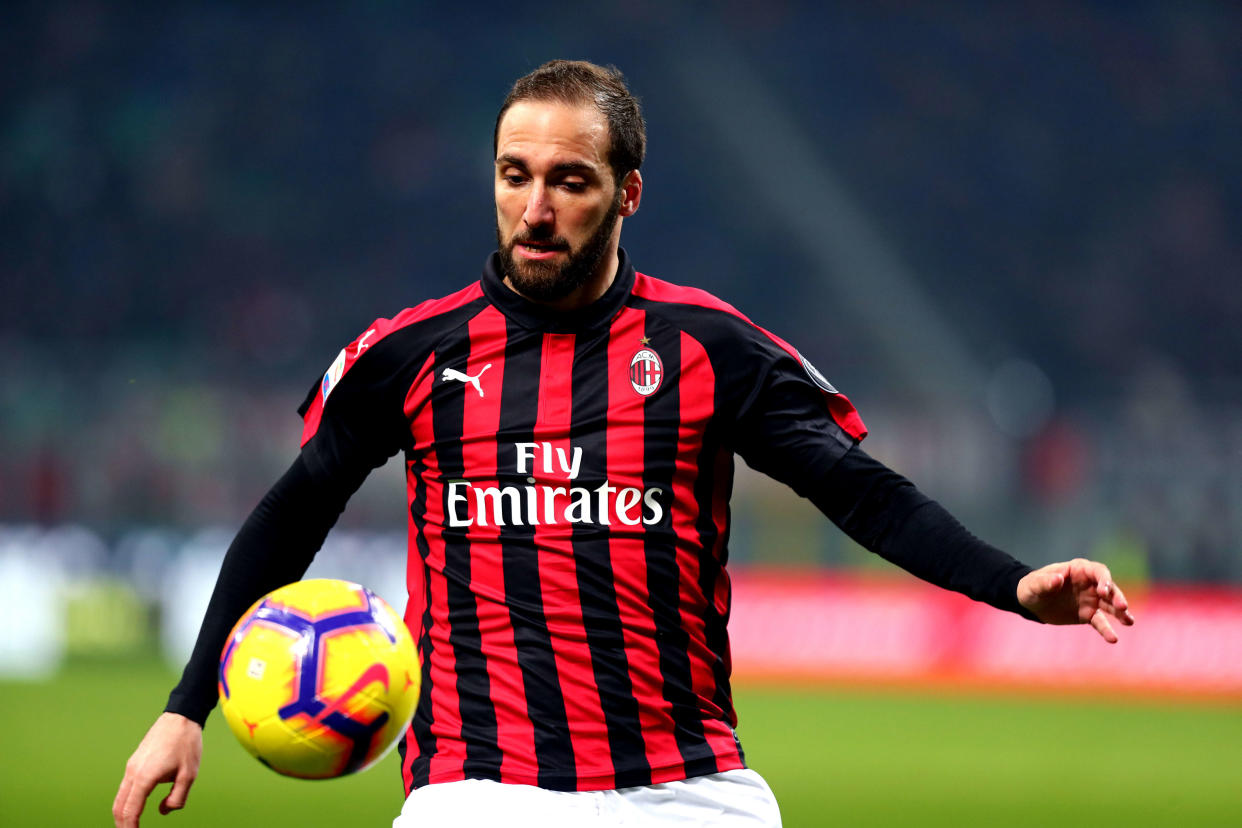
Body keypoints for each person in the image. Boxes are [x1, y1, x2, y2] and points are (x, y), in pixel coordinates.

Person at [113, 60, 1135, 828]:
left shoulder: (712, 349)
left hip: (691, 791)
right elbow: (292, 512)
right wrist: (188, 702)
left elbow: (862, 494)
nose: (537, 209)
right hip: (480, 791)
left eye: (570, 180)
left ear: (629, 193)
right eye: (515, 176)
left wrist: (1013, 586)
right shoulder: (410, 357)